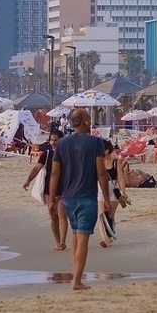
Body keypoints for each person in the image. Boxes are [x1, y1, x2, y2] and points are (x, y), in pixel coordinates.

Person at [48, 109, 112, 290]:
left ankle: (76, 274)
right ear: (83, 121)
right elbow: (101, 173)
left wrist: (52, 199)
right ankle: (76, 281)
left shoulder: (61, 143)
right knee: (82, 239)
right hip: (87, 197)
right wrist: (106, 198)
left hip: (68, 198)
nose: (91, 120)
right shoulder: (95, 143)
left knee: (76, 235)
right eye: (89, 118)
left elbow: (54, 173)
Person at [24, 128, 67, 251]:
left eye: (56, 140)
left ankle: (63, 241)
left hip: (64, 189)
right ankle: (57, 241)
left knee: (62, 213)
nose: (53, 142)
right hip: (49, 191)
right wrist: (28, 180)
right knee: (53, 216)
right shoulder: (46, 154)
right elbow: (37, 168)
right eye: (51, 140)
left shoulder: (67, 154)